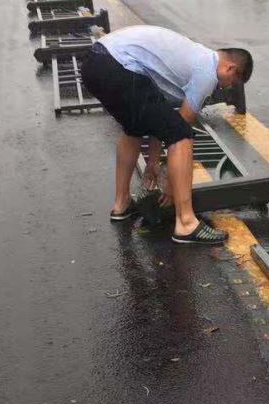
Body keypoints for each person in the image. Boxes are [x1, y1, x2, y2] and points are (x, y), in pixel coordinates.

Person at [80, 25, 253, 245]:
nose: (227, 88)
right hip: (118, 65)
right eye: (233, 83)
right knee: (182, 135)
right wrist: (171, 186)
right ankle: (186, 223)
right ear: (230, 68)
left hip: (94, 64)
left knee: (134, 128)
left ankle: (121, 204)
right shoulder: (207, 72)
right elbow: (180, 126)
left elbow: (161, 118)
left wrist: (154, 161)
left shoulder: (192, 57)